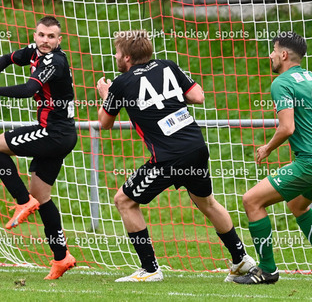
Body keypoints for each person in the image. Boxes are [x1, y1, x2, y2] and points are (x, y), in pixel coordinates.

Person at [97, 30, 255, 283]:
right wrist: (166, 97)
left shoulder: (121, 83)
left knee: (124, 201)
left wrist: (106, 95)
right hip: (195, 146)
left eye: (117, 52)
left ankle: (149, 269)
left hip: (168, 157)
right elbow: (198, 96)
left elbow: (104, 123)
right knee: (207, 203)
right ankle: (241, 260)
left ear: (126, 57)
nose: (115, 56)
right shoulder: (168, 66)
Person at [0, 16, 78, 280]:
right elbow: (6, 58)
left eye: (51, 37)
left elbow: (28, 89)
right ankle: (61, 257)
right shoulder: (34, 52)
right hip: (60, 134)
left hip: (54, 134)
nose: (45, 41)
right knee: (42, 196)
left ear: (59, 40)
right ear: (35, 35)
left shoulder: (54, 61)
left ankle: (22, 202)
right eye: (41, 35)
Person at [234, 31, 312, 285]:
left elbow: (287, 127)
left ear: (284, 54)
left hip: (309, 162)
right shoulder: (310, 78)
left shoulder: (282, 82)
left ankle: (267, 270)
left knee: (251, 200)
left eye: (273, 50)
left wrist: (267, 148)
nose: (270, 55)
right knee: (298, 205)